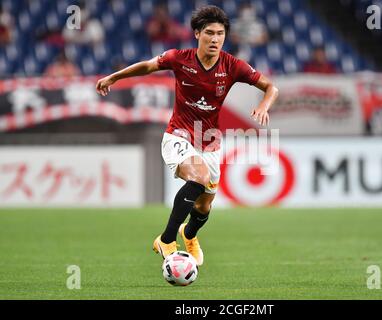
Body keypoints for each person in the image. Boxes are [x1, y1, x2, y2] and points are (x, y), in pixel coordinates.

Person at [96, 5, 278, 266]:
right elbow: (147, 67)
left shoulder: (233, 66)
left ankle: (188, 234)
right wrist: (114, 77)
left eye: (220, 33)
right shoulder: (179, 58)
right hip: (178, 136)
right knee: (199, 178)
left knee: (204, 206)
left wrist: (263, 106)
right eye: (209, 33)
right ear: (197, 34)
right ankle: (167, 239)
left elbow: (271, 87)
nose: (215, 39)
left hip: (210, 143)